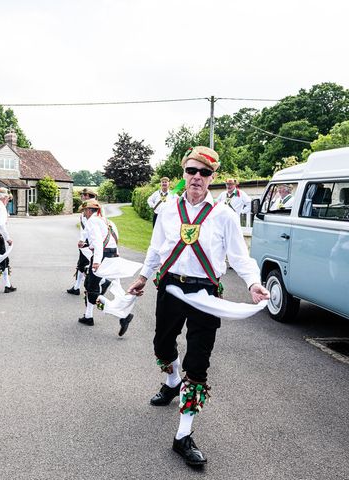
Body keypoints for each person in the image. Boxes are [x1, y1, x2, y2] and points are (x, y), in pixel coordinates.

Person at [127, 146, 269, 467]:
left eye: (204, 173)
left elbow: (239, 256)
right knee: (162, 345)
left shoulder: (224, 214)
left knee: (198, 361)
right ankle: (172, 381)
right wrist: (142, 277)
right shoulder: (167, 209)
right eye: (192, 171)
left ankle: (183, 435)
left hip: (206, 292)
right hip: (171, 286)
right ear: (184, 174)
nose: (197, 177)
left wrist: (253, 284)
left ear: (212, 178)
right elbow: (155, 248)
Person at [77, 198, 133, 336]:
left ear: (89, 210)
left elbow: (97, 242)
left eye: (85, 211)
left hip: (101, 257)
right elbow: (113, 240)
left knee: (91, 289)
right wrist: (87, 246)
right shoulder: (107, 221)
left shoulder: (92, 221)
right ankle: (88, 316)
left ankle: (123, 316)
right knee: (91, 286)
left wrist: (96, 262)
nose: (84, 214)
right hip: (112, 255)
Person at [67, 188, 97, 295]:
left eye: (84, 195)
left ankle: (92, 287)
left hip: (89, 242)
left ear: (88, 196)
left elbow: (88, 228)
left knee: (86, 265)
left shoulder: (91, 209)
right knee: (81, 265)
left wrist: (82, 240)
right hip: (88, 241)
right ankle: (77, 287)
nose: (82, 196)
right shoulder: (89, 208)